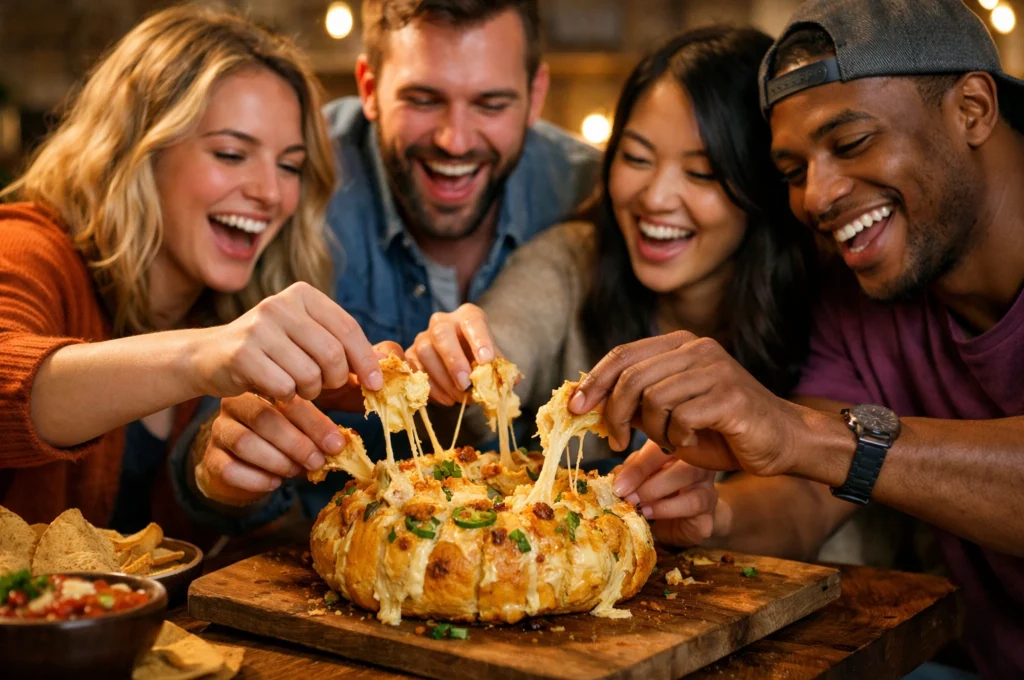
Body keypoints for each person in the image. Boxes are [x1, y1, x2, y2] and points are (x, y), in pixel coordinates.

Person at [582, 0, 1024, 679]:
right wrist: (714, 515)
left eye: (851, 143)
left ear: (972, 109)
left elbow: (819, 444)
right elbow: (808, 494)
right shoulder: (857, 289)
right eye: (793, 172)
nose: (816, 197)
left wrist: (801, 432)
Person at [177, 0, 600, 521]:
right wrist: (219, 462)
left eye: (491, 104)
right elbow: (204, 427)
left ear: (536, 96)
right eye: (423, 99)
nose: (455, 140)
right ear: (369, 87)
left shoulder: (594, 191)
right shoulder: (288, 175)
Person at [0, 5, 386, 532]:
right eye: (231, 154)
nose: (270, 193)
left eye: (290, 166)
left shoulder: (218, 307)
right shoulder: (26, 246)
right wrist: (199, 357)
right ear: (137, 151)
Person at [406, 26, 815, 473]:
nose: (655, 198)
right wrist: (463, 363)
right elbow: (506, 338)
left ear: (763, 185)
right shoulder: (569, 259)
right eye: (637, 158)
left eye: (701, 173)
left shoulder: (821, 308)